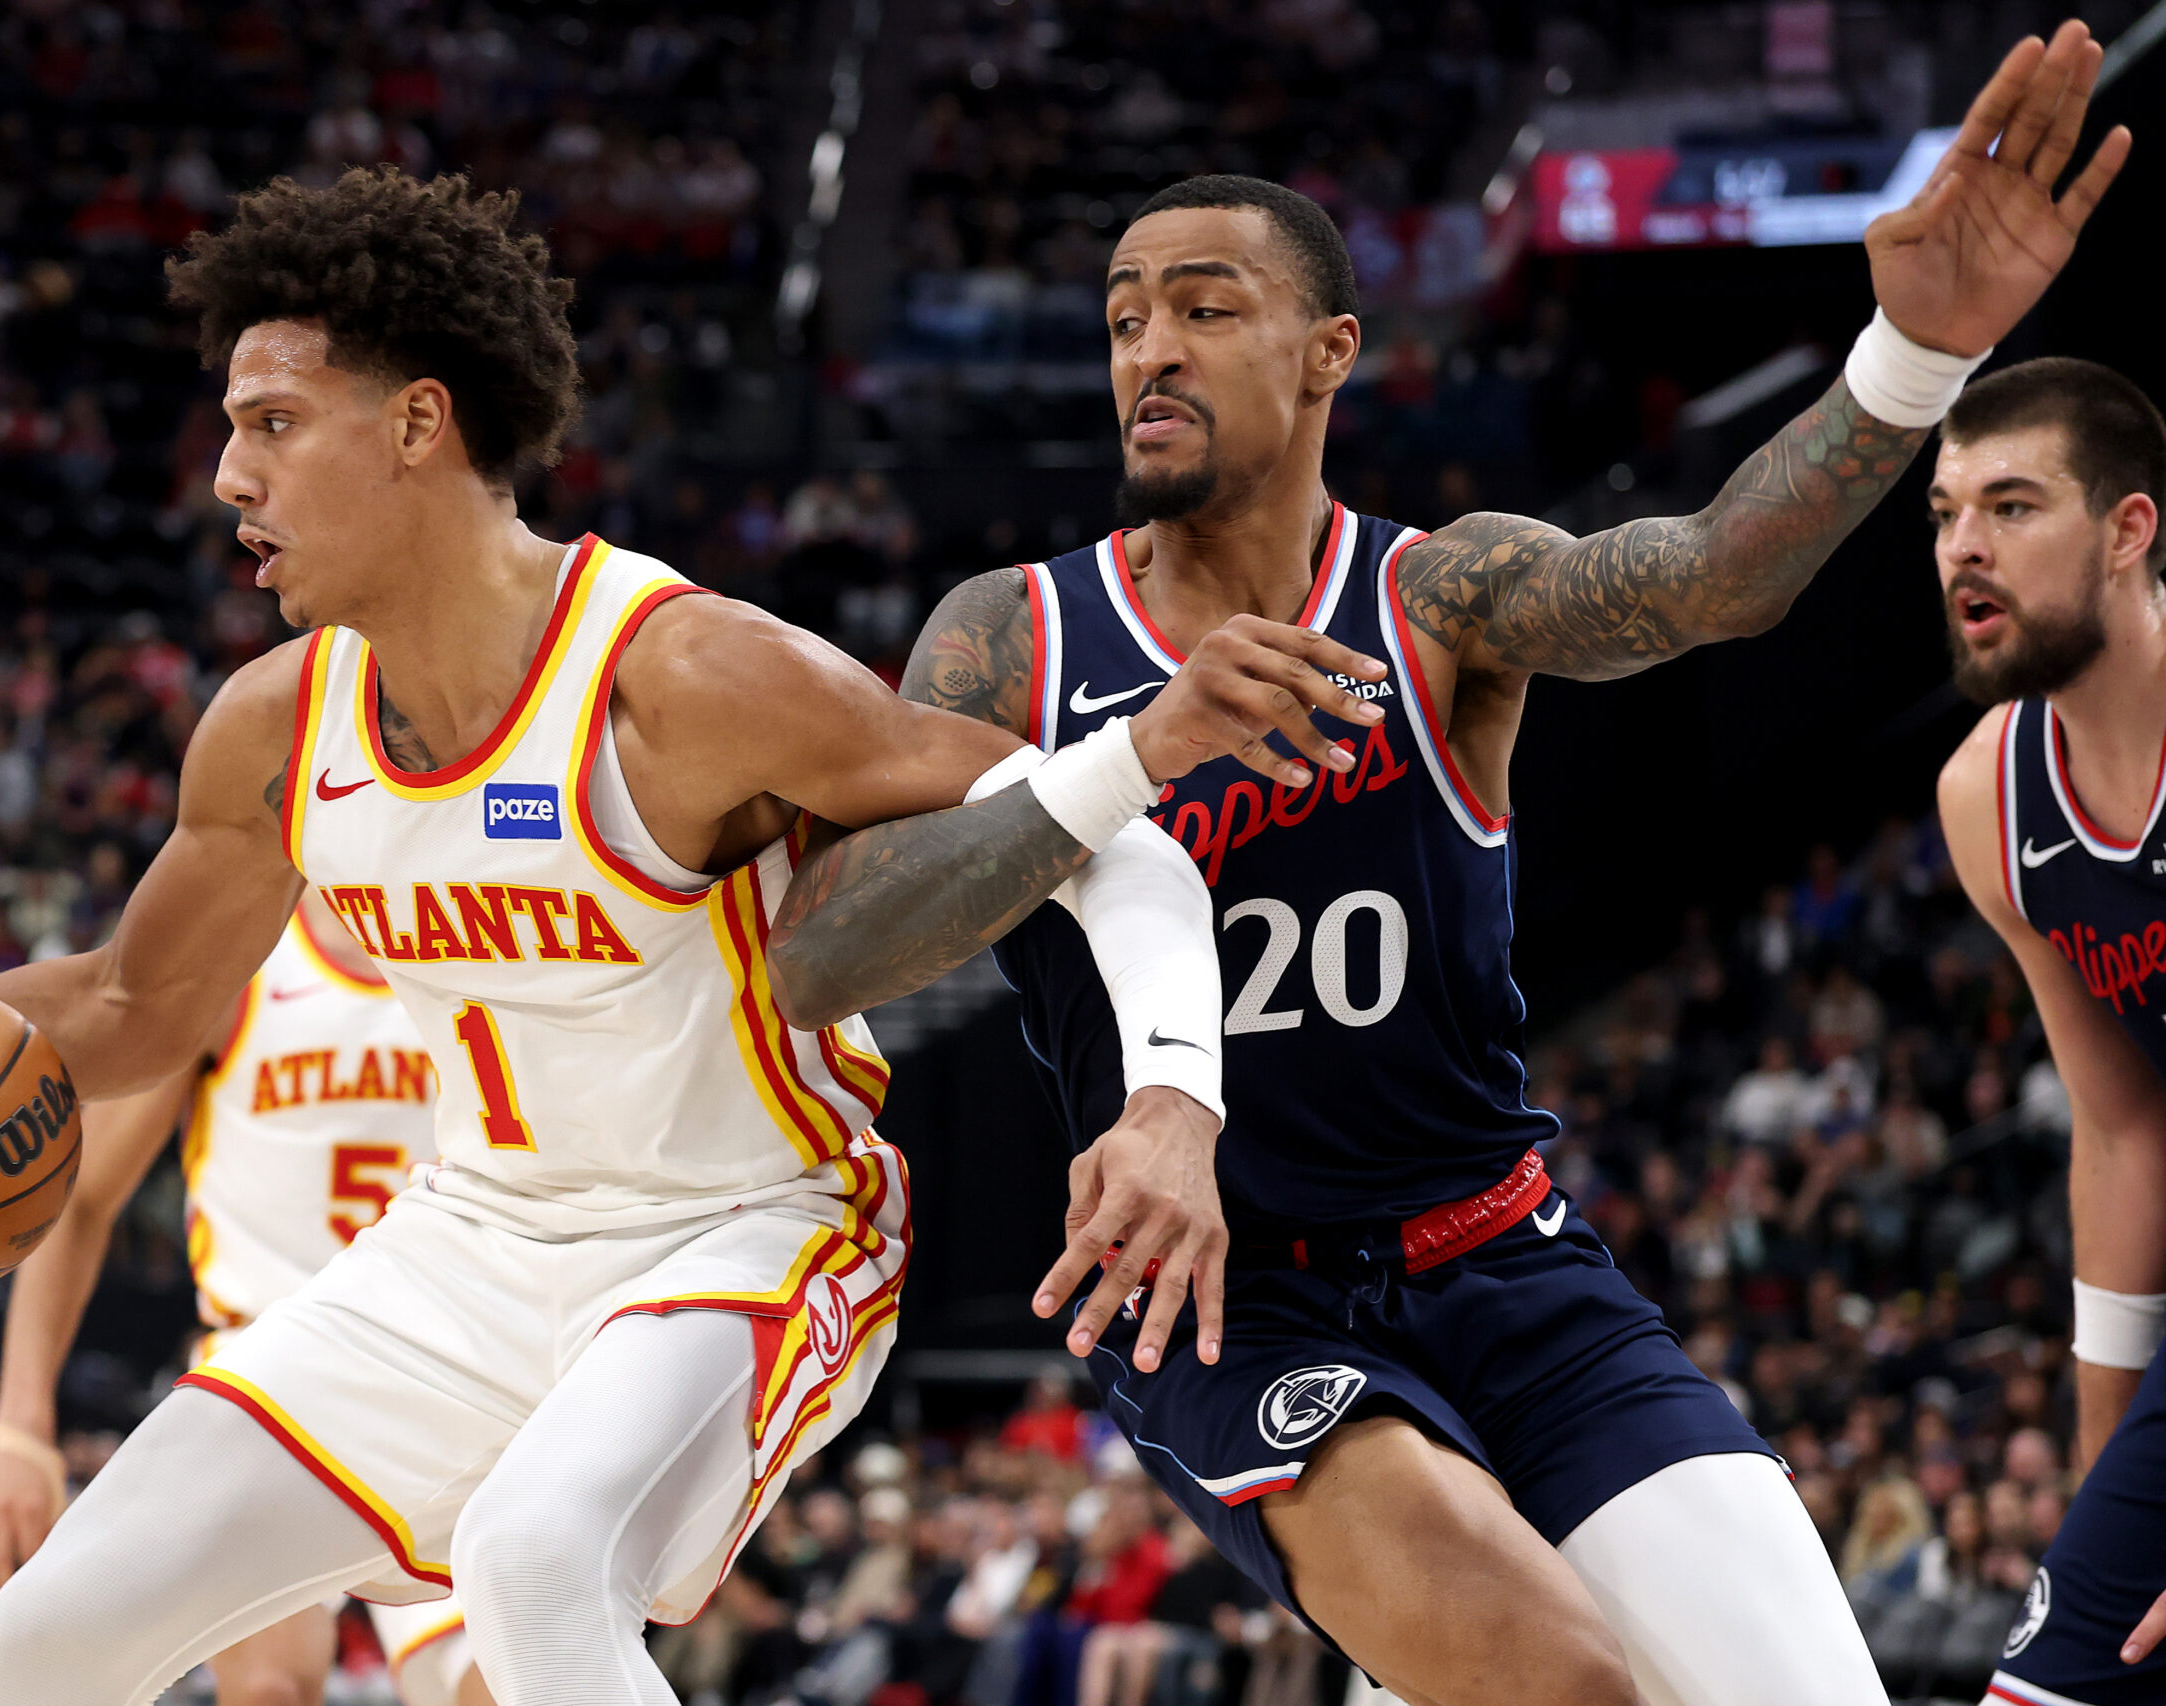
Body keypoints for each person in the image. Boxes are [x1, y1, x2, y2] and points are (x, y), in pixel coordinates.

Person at [0, 166, 1367, 1704]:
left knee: (534, 1561)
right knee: (54, 1628)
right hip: (467, 1244)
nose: (230, 476)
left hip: (749, 1232)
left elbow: (1112, 829)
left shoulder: (684, 677)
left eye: (275, 422)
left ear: (418, 425)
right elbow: (133, 1004)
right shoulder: (275, 729)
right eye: (234, 428)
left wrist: (1170, 1099)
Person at [768, 25, 2126, 1706]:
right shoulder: (1016, 637)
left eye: (1202, 306)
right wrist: (1124, 761)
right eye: (1124, 318)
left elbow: (1708, 578)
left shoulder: (1436, 599)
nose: (1150, 351)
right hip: (1233, 1306)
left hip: (1512, 1260)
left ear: (1331, 350)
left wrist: (1909, 358)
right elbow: (819, 955)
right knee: (1564, 1683)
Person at [0, 888, 485, 1706]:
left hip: (454, 1370)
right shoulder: (241, 965)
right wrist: (20, 1432)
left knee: (494, 1686)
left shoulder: (491, 956)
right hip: (270, 1372)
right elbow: (82, 1198)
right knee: (269, 1688)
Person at [1930, 356, 2166, 1706]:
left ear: (2129, 529)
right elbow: (2127, 1127)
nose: (1965, 543)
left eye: (2012, 505)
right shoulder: (1988, 797)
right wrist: (2105, 1476)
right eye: (1948, 512)